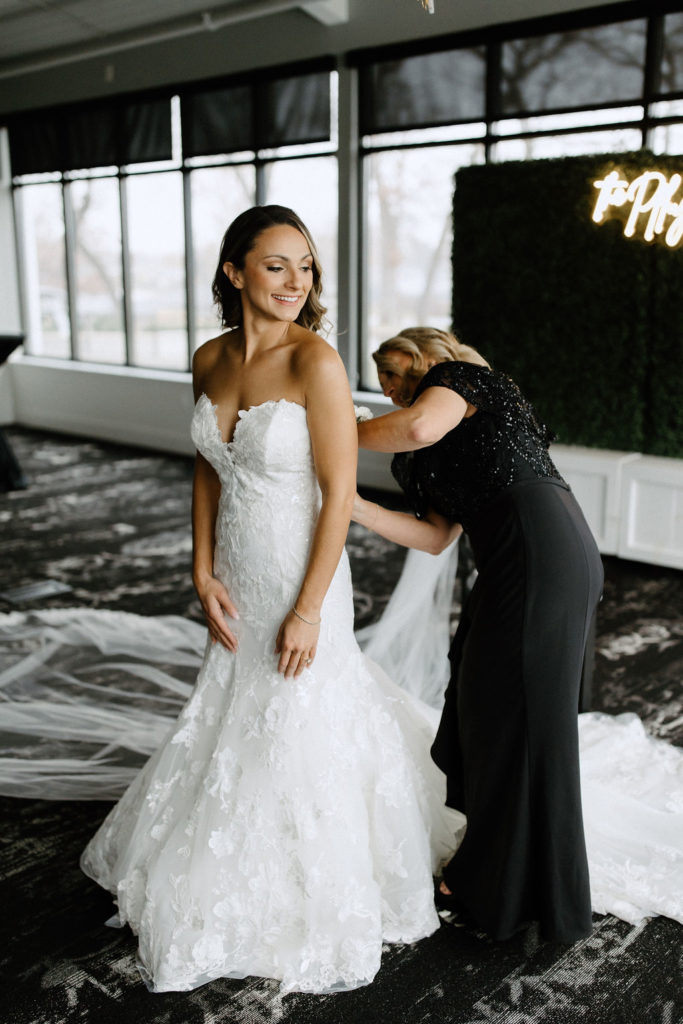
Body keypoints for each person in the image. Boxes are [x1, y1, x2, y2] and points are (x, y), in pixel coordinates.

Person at [78, 208, 457, 994]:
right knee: (232, 703)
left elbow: (339, 491)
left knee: (300, 708)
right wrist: (200, 567)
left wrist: (311, 608)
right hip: (237, 572)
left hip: (299, 568)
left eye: (306, 268)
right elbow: (208, 468)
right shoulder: (208, 357)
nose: (296, 283)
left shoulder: (315, 360)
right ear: (234, 271)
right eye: (278, 265)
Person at [353, 326, 604, 944]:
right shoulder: (421, 444)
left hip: (540, 550)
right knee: (485, 709)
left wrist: (332, 433)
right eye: (380, 378)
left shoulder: (460, 381)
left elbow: (415, 426)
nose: (386, 387)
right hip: (514, 562)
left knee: (521, 722)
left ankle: (522, 890)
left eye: (391, 371)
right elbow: (437, 536)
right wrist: (351, 505)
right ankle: (495, 865)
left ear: (420, 358)